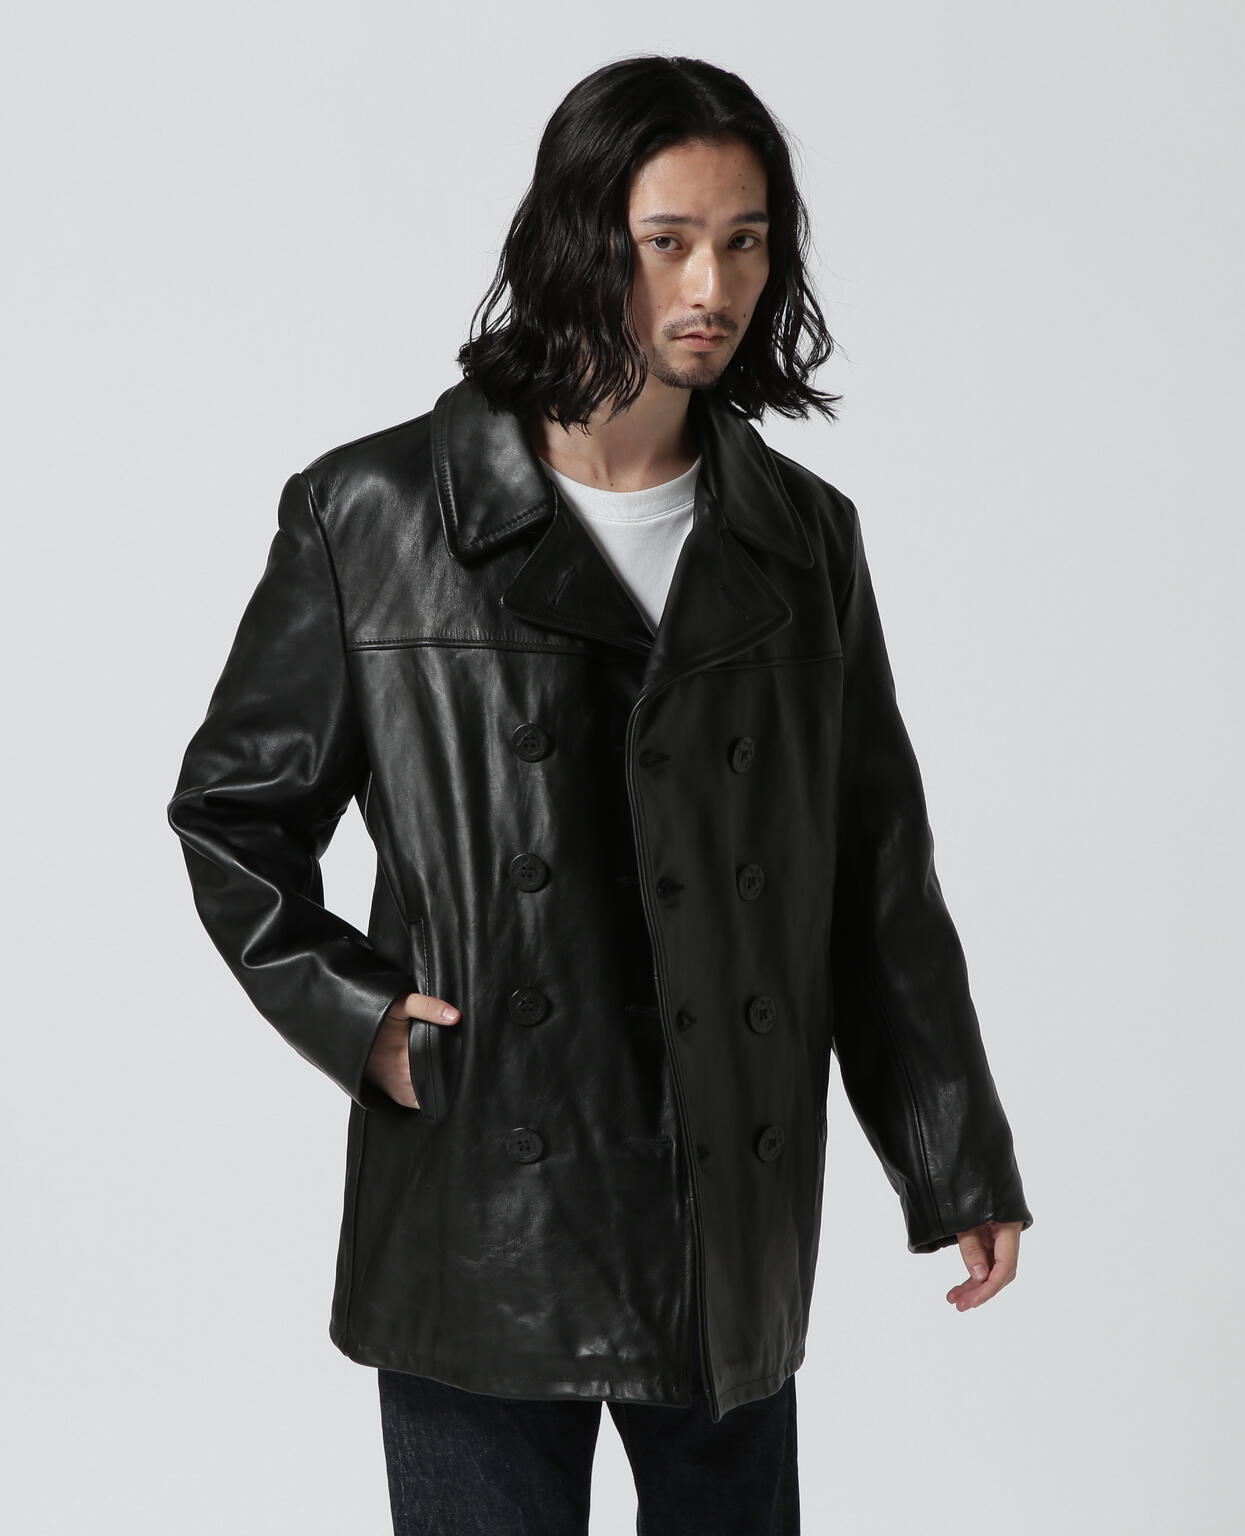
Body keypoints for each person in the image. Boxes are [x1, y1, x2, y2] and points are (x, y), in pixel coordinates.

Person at [167, 53, 1033, 1536]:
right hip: (485, 1200)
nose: (713, 285)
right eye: (667, 240)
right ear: (579, 241)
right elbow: (234, 813)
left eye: (746, 241)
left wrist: (954, 1151)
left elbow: (874, 868)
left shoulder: (802, 538)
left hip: (726, 1196)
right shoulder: (375, 514)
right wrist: (364, 1022)